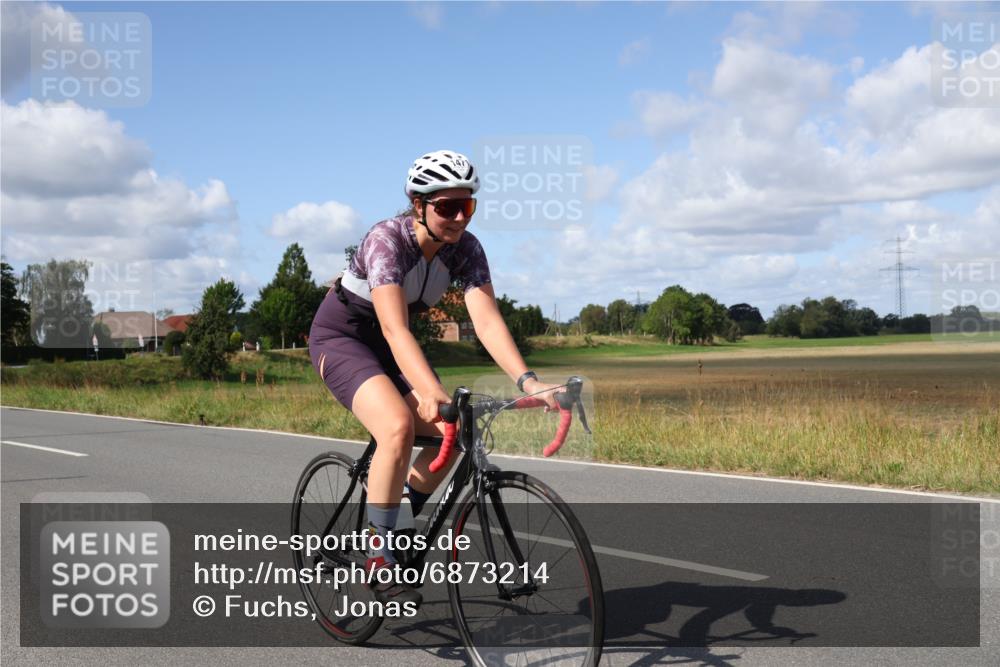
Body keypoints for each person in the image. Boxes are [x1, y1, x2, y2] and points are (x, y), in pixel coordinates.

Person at [308, 150, 561, 608]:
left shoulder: (466, 249)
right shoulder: (387, 241)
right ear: (418, 204)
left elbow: (485, 321)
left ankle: (394, 513)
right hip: (343, 340)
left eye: (468, 206)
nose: (459, 217)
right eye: (447, 206)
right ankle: (380, 556)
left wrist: (528, 381)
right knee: (398, 428)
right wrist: (430, 392)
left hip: (391, 346)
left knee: (458, 433)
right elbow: (394, 327)